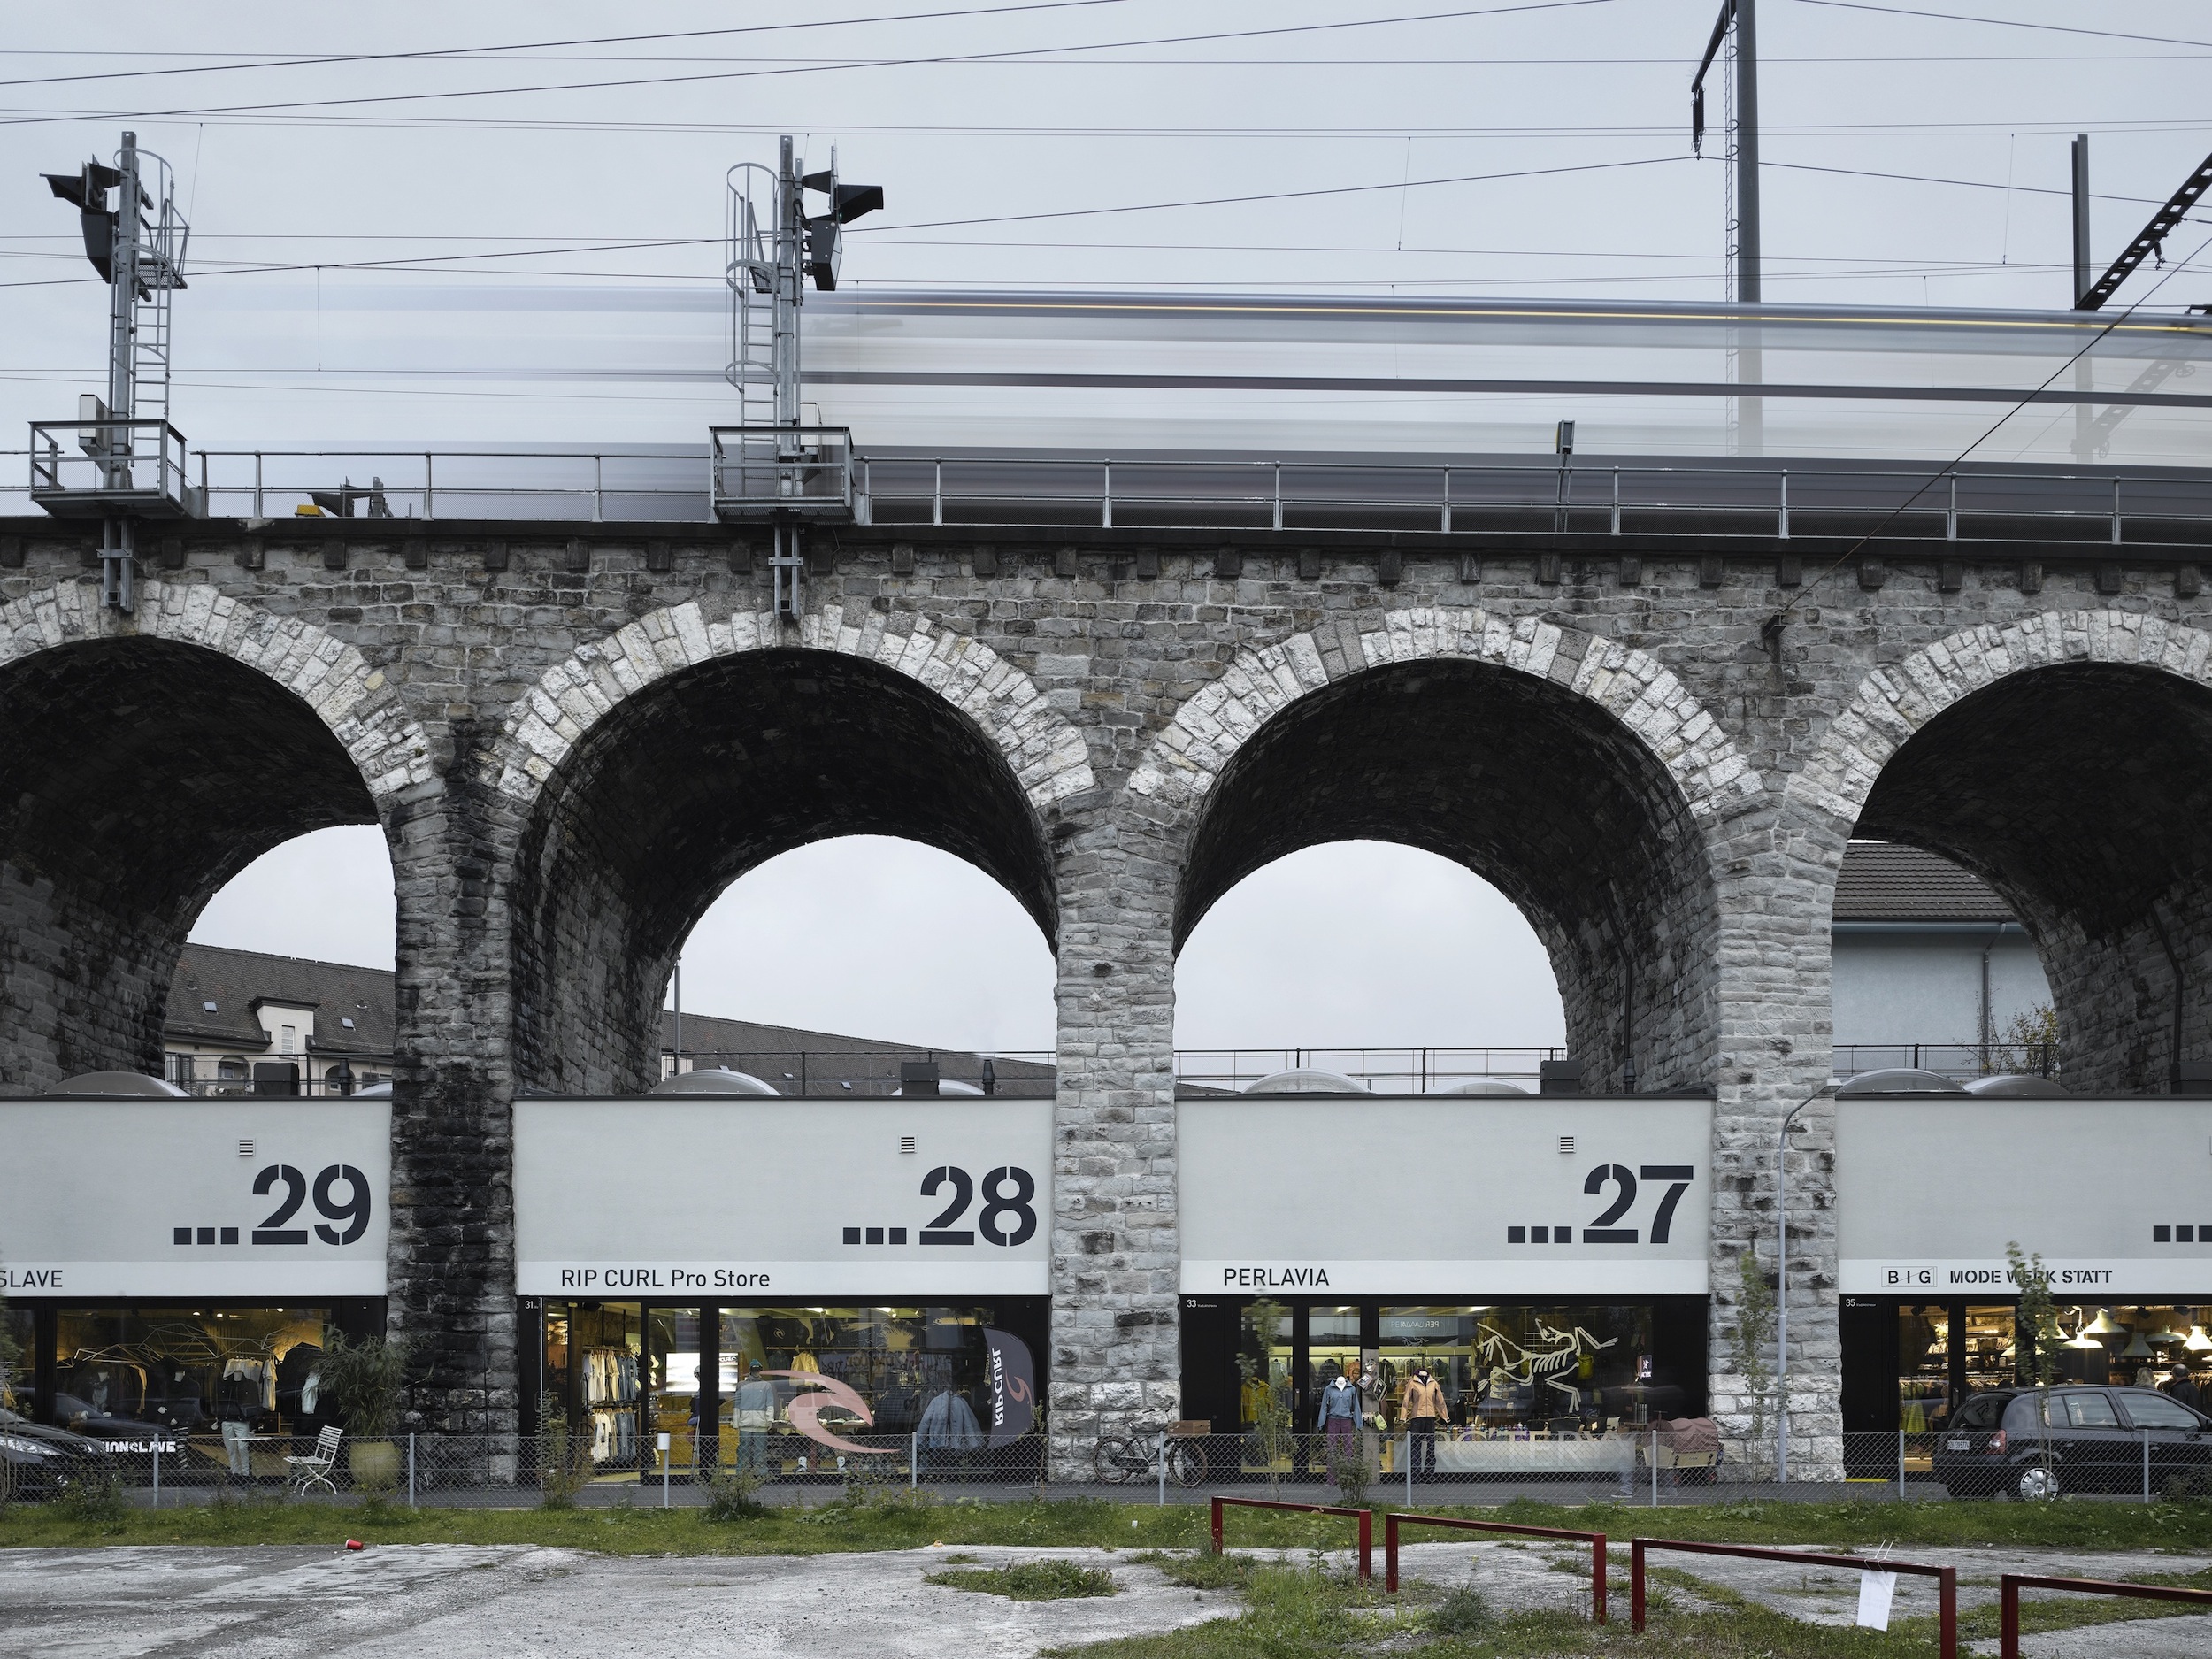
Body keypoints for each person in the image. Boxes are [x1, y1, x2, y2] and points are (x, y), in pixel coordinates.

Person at [1316, 1363, 1362, 1477]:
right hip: (1333, 1420)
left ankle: (1348, 1476)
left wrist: (1358, 1423)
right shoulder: (1329, 1389)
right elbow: (1324, 1407)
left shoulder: (1351, 1389)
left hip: (1347, 1421)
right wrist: (1321, 1422)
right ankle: (1331, 1477)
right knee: (1332, 1448)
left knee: (1348, 1447)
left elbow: (1356, 1406)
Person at [1402, 1365, 1447, 1482]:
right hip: (1417, 1417)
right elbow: (1406, 1401)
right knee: (1416, 1446)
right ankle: (1415, 1476)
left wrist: (1445, 1416)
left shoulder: (1433, 1383)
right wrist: (1403, 1417)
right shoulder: (1413, 1383)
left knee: (1431, 1446)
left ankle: (1429, 1475)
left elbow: (1440, 1401)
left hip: (1430, 1417)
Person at [733, 1360, 777, 1478]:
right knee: (757, 1450)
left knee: (747, 1449)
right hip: (759, 1422)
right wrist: (769, 1420)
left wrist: (736, 1423)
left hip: (747, 1422)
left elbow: (737, 1405)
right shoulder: (766, 1385)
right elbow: (770, 1404)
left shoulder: (742, 1385)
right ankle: (758, 1472)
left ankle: (744, 1473)